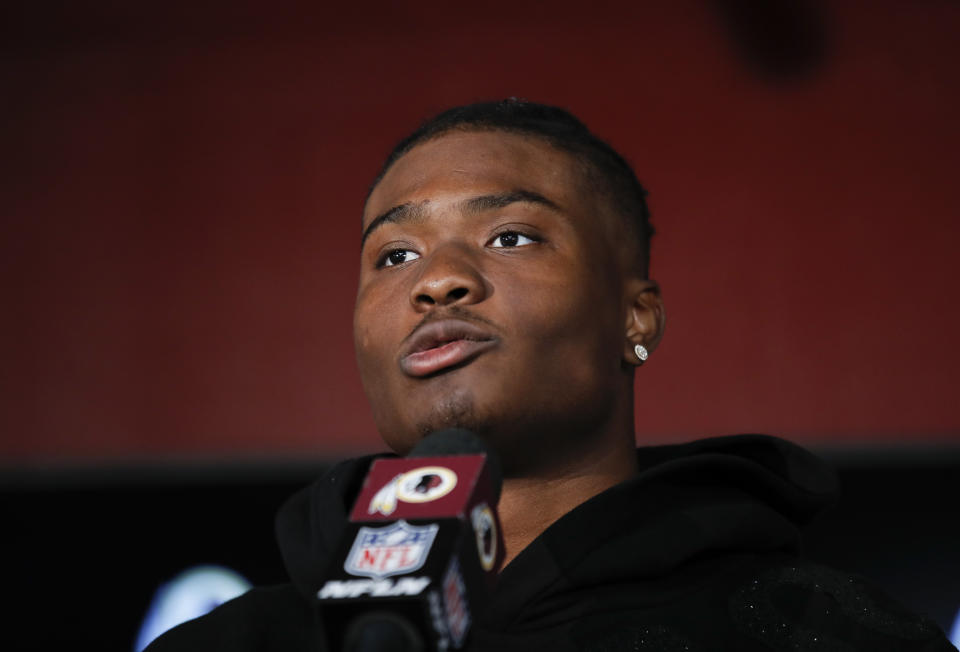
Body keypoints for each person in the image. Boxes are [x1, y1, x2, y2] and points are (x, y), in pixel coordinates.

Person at [146, 99, 955, 651]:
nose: (438, 281)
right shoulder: (230, 644)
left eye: (510, 237)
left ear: (635, 318)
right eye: (394, 255)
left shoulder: (817, 631)